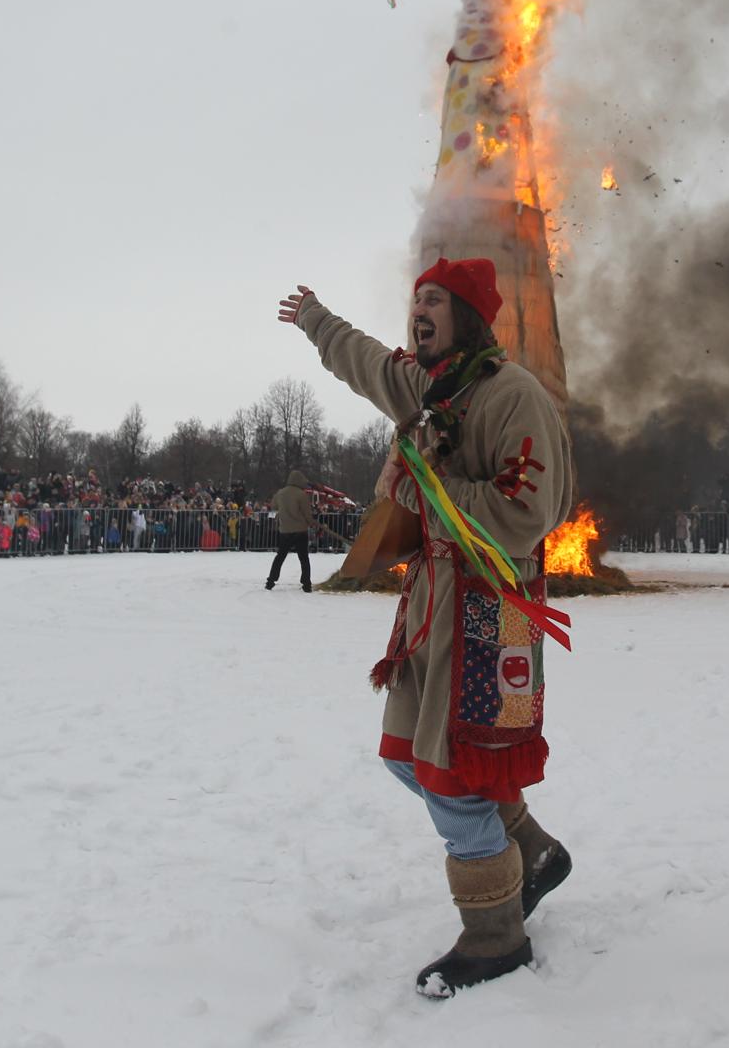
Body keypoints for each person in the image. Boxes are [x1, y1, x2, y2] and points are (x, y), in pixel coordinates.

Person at [278, 257, 575, 997]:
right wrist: (316, 318)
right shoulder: (428, 386)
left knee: (452, 767)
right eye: (416, 299)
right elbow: (366, 362)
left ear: (468, 314)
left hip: (489, 612)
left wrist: (429, 485)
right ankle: (529, 852)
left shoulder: (514, 396)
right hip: (432, 606)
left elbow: (526, 513)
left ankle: (494, 933)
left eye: (435, 300)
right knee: (408, 755)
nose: (420, 309)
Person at [265, 469, 317, 591]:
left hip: (285, 530)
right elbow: (306, 513)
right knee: (304, 558)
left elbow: (273, 505)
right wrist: (311, 522)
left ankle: (270, 581)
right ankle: (306, 583)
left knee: (280, 556)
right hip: (300, 530)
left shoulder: (280, 493)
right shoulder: (301, 494)